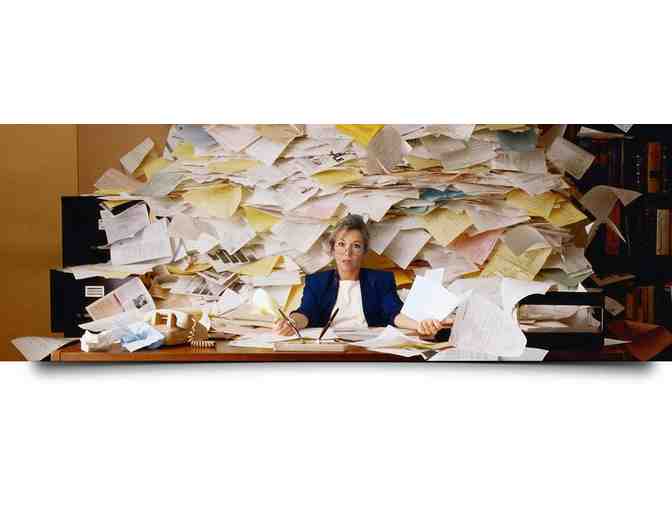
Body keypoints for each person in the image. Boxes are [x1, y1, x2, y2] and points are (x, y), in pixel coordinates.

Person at [273, 214, 448, 337]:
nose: (347, 252)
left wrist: (420, 324)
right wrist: (291, 322)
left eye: (356, 246)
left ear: (364, 252)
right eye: (341, 244)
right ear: (333, 248)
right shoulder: (317, 282)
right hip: (329, 346)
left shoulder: (381, 280)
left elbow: (394, 313)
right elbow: (306, 312)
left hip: (369, 345)